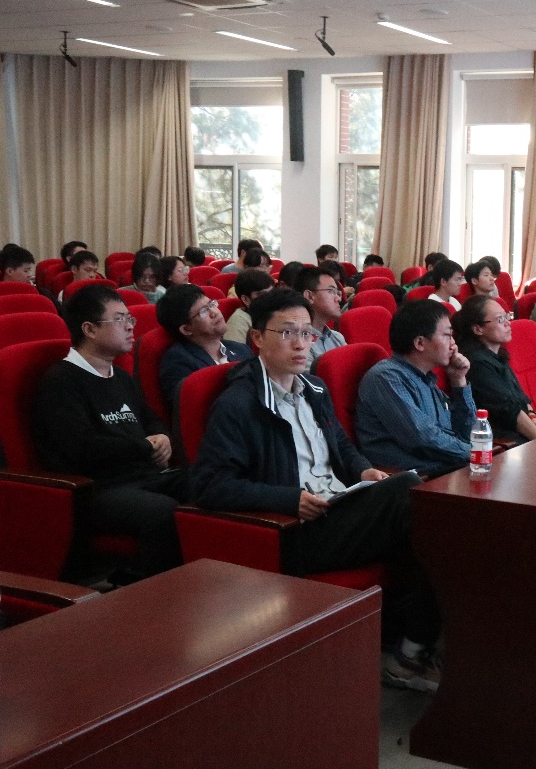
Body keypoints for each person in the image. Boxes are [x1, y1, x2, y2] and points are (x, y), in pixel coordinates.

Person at [189, 288, 441, 692]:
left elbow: (338, 443)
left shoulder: (314, 389)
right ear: (257, 338)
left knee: (431, 517)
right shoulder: (240, 404)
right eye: (288, 332)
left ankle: (415, 643)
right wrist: (287, 500)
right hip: (296, 528)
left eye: (307, 333)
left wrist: (364, 469)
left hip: (340, 506)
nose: (301, 344)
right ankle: (412, 653)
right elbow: (209, 484)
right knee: (416, 500)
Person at [32, 283, 187, 579]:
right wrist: (145, 447)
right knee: (163, 512)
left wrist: (163, 437)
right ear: (89, 329)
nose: (130, 326)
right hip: (100, 488)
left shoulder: (121, 377)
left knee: (207, 483)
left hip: (145, 476)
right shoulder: (61, 381)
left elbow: (151, 420)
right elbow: (82, 447)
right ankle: (158, 594)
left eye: (130, 318)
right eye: (119, 319)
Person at [355, 300, 475, 476]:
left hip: (444, 470)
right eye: (447, 336)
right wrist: (476, 453)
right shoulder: (386, 378)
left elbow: (466, 433)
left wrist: (458, 380)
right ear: (420, 343)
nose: (453, 344)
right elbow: (423, 439)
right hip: (415, 480)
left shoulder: (426, 378)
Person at [455, 295, 536, 444]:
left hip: (520, 427)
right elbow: (510, 412)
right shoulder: (477, 363)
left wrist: (532, 415)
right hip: (503, 438)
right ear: (478, 329)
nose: (508, 323)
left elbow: (520, 397)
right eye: (500, 319)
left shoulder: (497, 355)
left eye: (506, 316)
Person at [155, 284, 250, 412]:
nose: (214, 312)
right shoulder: (178, 362)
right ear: (186, 329)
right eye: (203, 311)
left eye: (212, 304)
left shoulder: (241, 349)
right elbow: (194, 412)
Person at [295, 265, 346, 370]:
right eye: (331, 291)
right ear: (309, 296)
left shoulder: (337, 338)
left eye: (338, 293)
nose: (338, 299)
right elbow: (309, 379)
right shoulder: (298, 342)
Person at [224, 268, 274, 344]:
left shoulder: (273, 313)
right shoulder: (238, 322)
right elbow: (235, 351)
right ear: (246, 299)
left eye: (272, 293)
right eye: (262, 295)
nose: (270, 298)